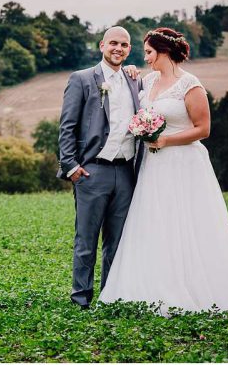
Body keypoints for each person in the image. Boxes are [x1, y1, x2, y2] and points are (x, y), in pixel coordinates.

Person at [98, 27, 228, 316]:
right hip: (153, 166)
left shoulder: (190, 84)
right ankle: (150, 288)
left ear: (164, 51)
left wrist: (165, 140)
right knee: (154, 222)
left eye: (148, 52)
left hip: (183, 163)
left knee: (186, 223)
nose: (145, 57)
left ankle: (194, 288)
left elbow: (203, 129)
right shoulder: (148, 80)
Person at [57, 26, 143, 309]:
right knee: (86, 240)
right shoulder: (82, 79)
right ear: (102, 45)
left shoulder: (135, 81)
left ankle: (110, 297)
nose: (119, 49)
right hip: (92, 171)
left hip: (126, 172)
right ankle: (80, 299)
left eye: (125, 45)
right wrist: (71, 166)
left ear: (130, 50)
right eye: (114, 43)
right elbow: (67, 125)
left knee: (117, 242)